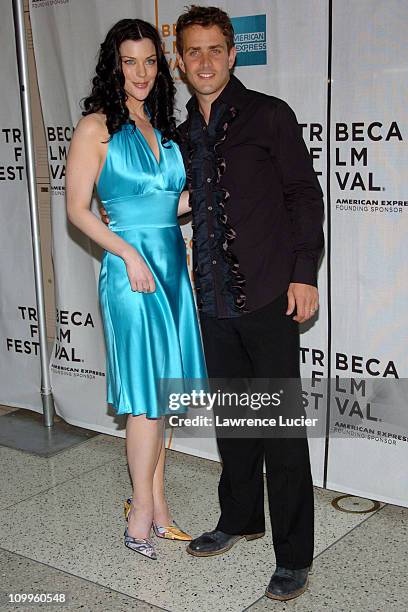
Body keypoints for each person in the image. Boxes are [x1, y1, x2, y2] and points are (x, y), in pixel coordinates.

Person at [174, 5, 324, 602]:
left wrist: (303, 272)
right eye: (193, 51)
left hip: (267, 294)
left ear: (233, 54)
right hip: (211, 299)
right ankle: (239, 518)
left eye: (216, 49)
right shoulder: (182, 133)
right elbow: (178, 203)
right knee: (235, 422)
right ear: (180, 62)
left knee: (280, 430)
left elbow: (302, 196)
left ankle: (294, 554)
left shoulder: (269, 115)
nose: (205, 61)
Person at [65, 18, 207, 561]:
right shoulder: (96, 128)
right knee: (145, 401)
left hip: (170, 269)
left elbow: (167, 206)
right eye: (130, 61)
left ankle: (158, 506)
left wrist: (218, 191)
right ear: (113, 65)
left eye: (150, 60)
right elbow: (78, 211)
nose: (142, 72)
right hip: (131, 273)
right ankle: (140, 516)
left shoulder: (162, 128)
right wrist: (127, 254)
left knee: (162, 396)